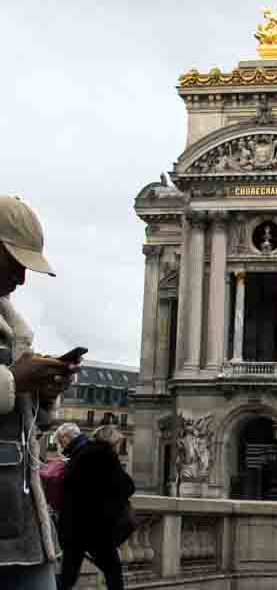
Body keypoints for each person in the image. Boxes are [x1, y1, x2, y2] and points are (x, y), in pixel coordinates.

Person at [0, 196, 76, 590]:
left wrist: (43, 393)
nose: (22, 278)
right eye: (15, 261)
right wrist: (14, 379)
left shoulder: (13, 327)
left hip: (21, 521)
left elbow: (24, 429)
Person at [59, 424, 134, 590]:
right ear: (110, 441)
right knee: (113, 571)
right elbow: (127, 486)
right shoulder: (106, 455)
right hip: (97, 527)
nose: (117, 447)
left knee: (68, 575)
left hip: (74, 525)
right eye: (117, 443)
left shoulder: (79, 454)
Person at [40, 423, 81, 519]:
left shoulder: (80, 454)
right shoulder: (77, 452)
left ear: (66, 437)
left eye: (61, 442)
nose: (62, 447)